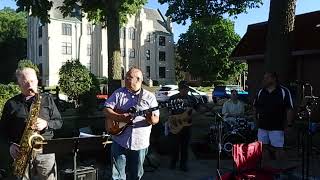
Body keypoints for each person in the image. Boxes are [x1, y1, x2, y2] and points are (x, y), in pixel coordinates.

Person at [0, 67, 63, 180]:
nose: (30, 85)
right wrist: (10, 146)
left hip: (45, 152)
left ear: (37, 81)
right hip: (21, 152)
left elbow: (59, 122)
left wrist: (46, 124)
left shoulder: (47, 99)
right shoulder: (11, 104)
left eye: (32, 81)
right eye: (25, 82)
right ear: (19, 84)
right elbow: (2, 131)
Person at [104, 67, 159, 180]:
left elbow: (155, 120)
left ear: (138, 80)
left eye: (128, 78)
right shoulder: (119, 93)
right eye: (126, 77)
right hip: (119, 139)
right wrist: (118, 117)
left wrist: (150, 118)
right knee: (117, 176)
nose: (125, 79)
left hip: (140, 142)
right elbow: (106, 109)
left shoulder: (149, 97)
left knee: (136, 175)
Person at [253, 72, 294, 160]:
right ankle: (266, 169)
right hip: (262, 126)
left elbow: (289, 109)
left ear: (273, 79)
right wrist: (255, 121)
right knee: (263, 148)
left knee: (278, 149)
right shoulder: (261, 91)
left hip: (277, 126)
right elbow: (255, 107)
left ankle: (281, 169)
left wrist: (289, 125)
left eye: (267, 78)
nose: (264, 80)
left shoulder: (283, 91)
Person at [167, 80, 199, 172]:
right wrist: (172, 119)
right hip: (175, 125)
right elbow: (169, 111)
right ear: (180, 89)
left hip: (187, 125)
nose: (185, 91)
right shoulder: (173, 98)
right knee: (174, 146)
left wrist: (194, 113)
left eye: (186, 89)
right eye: (183, 89)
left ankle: (183, 164)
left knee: (185, 146)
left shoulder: (192, 99)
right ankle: (173, 162)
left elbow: (197, 110)